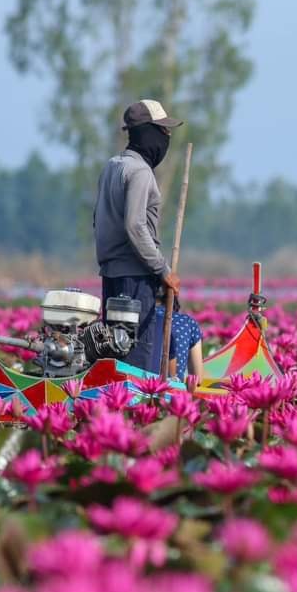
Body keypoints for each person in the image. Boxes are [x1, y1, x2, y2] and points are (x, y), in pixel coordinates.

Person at [93, 99, 182, 371]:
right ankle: (136, 408)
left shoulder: (112, 165)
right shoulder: (141, 172)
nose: (167, 137)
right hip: (135, 278)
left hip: (111, 274)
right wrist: (163, 270)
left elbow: (97, 219)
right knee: (136, 356)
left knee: (115, 349)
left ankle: (111, 409)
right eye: (163, 131)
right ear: (148, 133)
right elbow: (135, 226)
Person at [167, 297, 204, 384]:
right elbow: (197, 379)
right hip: (173, 390)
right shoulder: (188, 322)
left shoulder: (140, 319)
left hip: (137, 383)